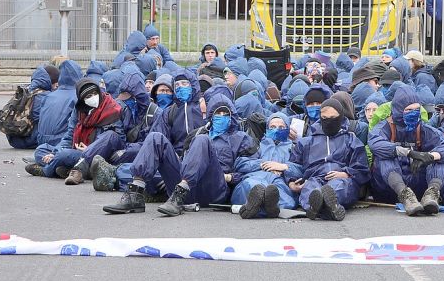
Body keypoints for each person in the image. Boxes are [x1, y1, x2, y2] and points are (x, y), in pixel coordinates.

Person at [102, 94, 257, 216]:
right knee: (156, 137)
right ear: (210, 115)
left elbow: (250, 170)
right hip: (187, 186)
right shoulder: (196, 133)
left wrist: (230, 177)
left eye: (225, 113)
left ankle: (179, 193)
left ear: (232, 116)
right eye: (218, 113)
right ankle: (135, 193)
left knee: (203, 140)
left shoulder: (242, 139)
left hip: (215, 188)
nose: (221, 116)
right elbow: (185, 160)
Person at [368, 85, 444, 216]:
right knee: (385, 157)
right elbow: (375, 144)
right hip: (388, 188)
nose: (414, 113)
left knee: (439, 159)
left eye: (416, 109)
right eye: (409, 110)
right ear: (398, 110)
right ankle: (404, 194)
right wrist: (409, 152)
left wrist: (429, 156)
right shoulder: (384, 128)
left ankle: (431, 194)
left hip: (418, 185)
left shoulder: (424, 129)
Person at [287, 99, 370, 221]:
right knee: (310, 188)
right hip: (314, 177)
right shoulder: (307, 142)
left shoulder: (351, 140)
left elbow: (361, 167)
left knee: (338, 187)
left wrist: (346, 173)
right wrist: (291, 181)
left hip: (340, 177)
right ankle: (323, 207)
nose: (329, 121)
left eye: (333, 117)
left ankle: (323, 206)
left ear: (341, 117)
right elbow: (295, 164)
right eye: (325, 118)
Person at [231, 113, 300, 219]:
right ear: (267, 129)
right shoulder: (257, 145)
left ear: (288, 129)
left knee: (277, 193)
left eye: (281, 127)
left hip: (280, 181)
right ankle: (267, 209)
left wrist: (284, 167)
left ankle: (255, 208)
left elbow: (302, 169)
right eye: (272, 127)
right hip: (256, 177)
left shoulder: (294, 148)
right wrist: (262, 164)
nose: (276, 130)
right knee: (252, 186)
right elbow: (240, 163)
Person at [6, 64, 57, 149]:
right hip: (31, 140)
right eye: (56, 84)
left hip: (14, 139)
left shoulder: (25, 91)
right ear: (51, 82)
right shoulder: (46, 97)